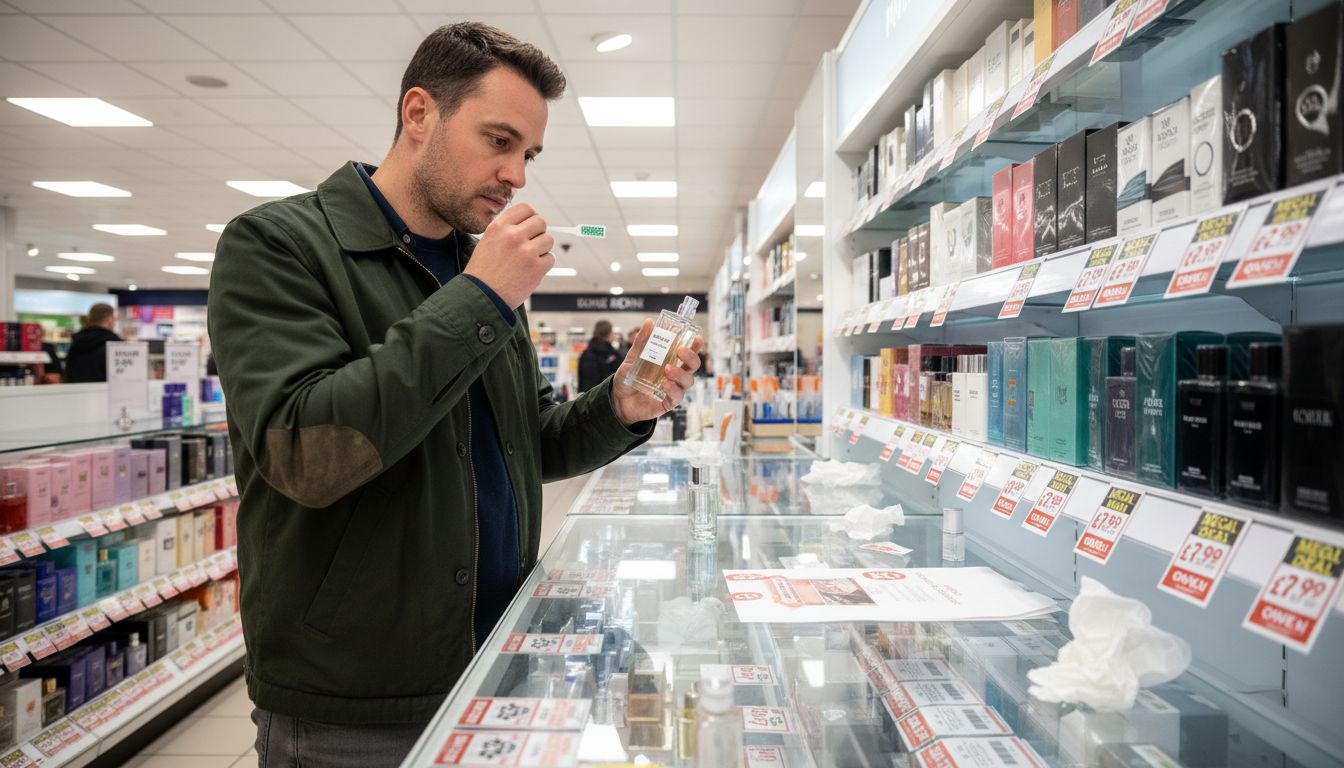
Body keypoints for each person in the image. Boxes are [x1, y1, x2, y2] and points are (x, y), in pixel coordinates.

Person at [207, 22, 701, 768]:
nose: (516, 176)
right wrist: (480, 297)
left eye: (528, 154)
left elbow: (529, 440)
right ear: (418, 114)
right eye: (498, 141)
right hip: (356, 702)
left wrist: (622, 404)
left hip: (495, 660)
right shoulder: (279, 247)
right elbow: (311, 452)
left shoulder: (484, 273)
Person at [63, 303, 120, 383]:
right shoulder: (114, 344)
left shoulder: (77, 342)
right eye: (114, 319)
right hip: (104, 393)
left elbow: (68, 373)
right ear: (109, 319)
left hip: (77, 392)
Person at [577, 319, 621, 392]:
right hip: (607, 396)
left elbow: (583, 379)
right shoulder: (612, 354)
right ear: (608, 333)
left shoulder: (586, 353)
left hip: (588, 397)